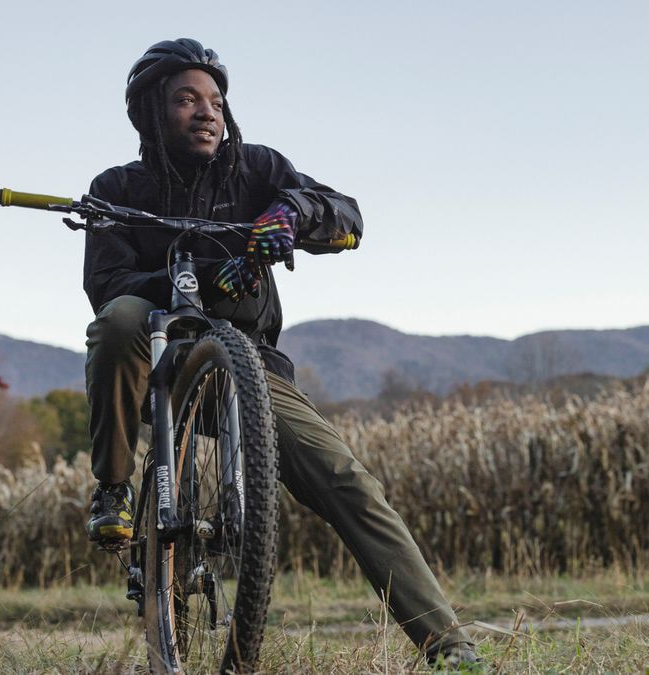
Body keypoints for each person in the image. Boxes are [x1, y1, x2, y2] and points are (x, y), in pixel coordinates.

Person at [81, 38, 478, 666]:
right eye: (186, 100)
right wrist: (195, 283)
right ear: (150, 112)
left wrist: (290, 212)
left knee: (350, 484)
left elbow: (345, 213)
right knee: (116, 318)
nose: (206, 111)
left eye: (215, 100)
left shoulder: (257, 169)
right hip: (159, 358)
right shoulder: (117, 187)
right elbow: (105, 283)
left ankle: (450, 648)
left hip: (251, 369)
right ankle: (111, 487)